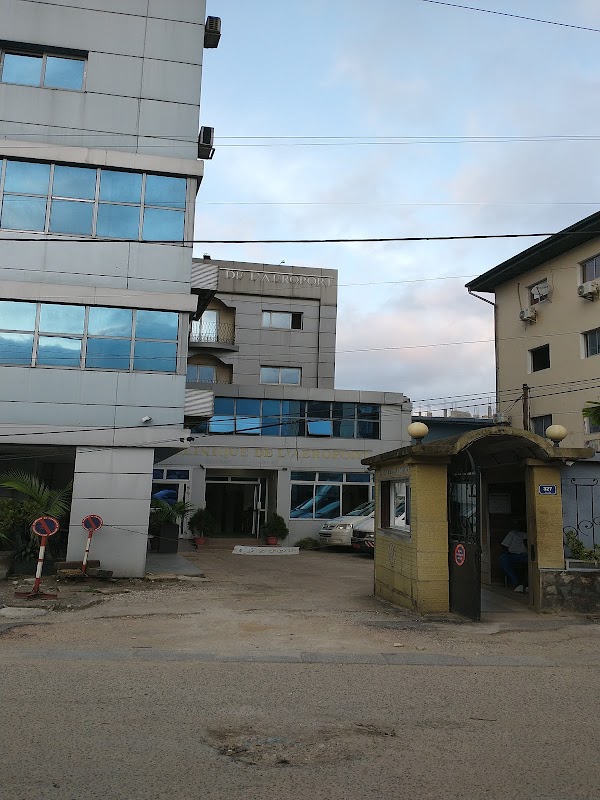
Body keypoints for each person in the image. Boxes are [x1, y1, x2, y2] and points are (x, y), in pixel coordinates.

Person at [500, 520, 528, 592]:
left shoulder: (530, 534)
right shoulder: (513, 533)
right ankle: (516, 582)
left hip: (526, 555)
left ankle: (527, 584)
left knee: (531, 563)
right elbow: (504, 546)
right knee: (503, 559)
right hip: (513, 555)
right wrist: (508, 553)